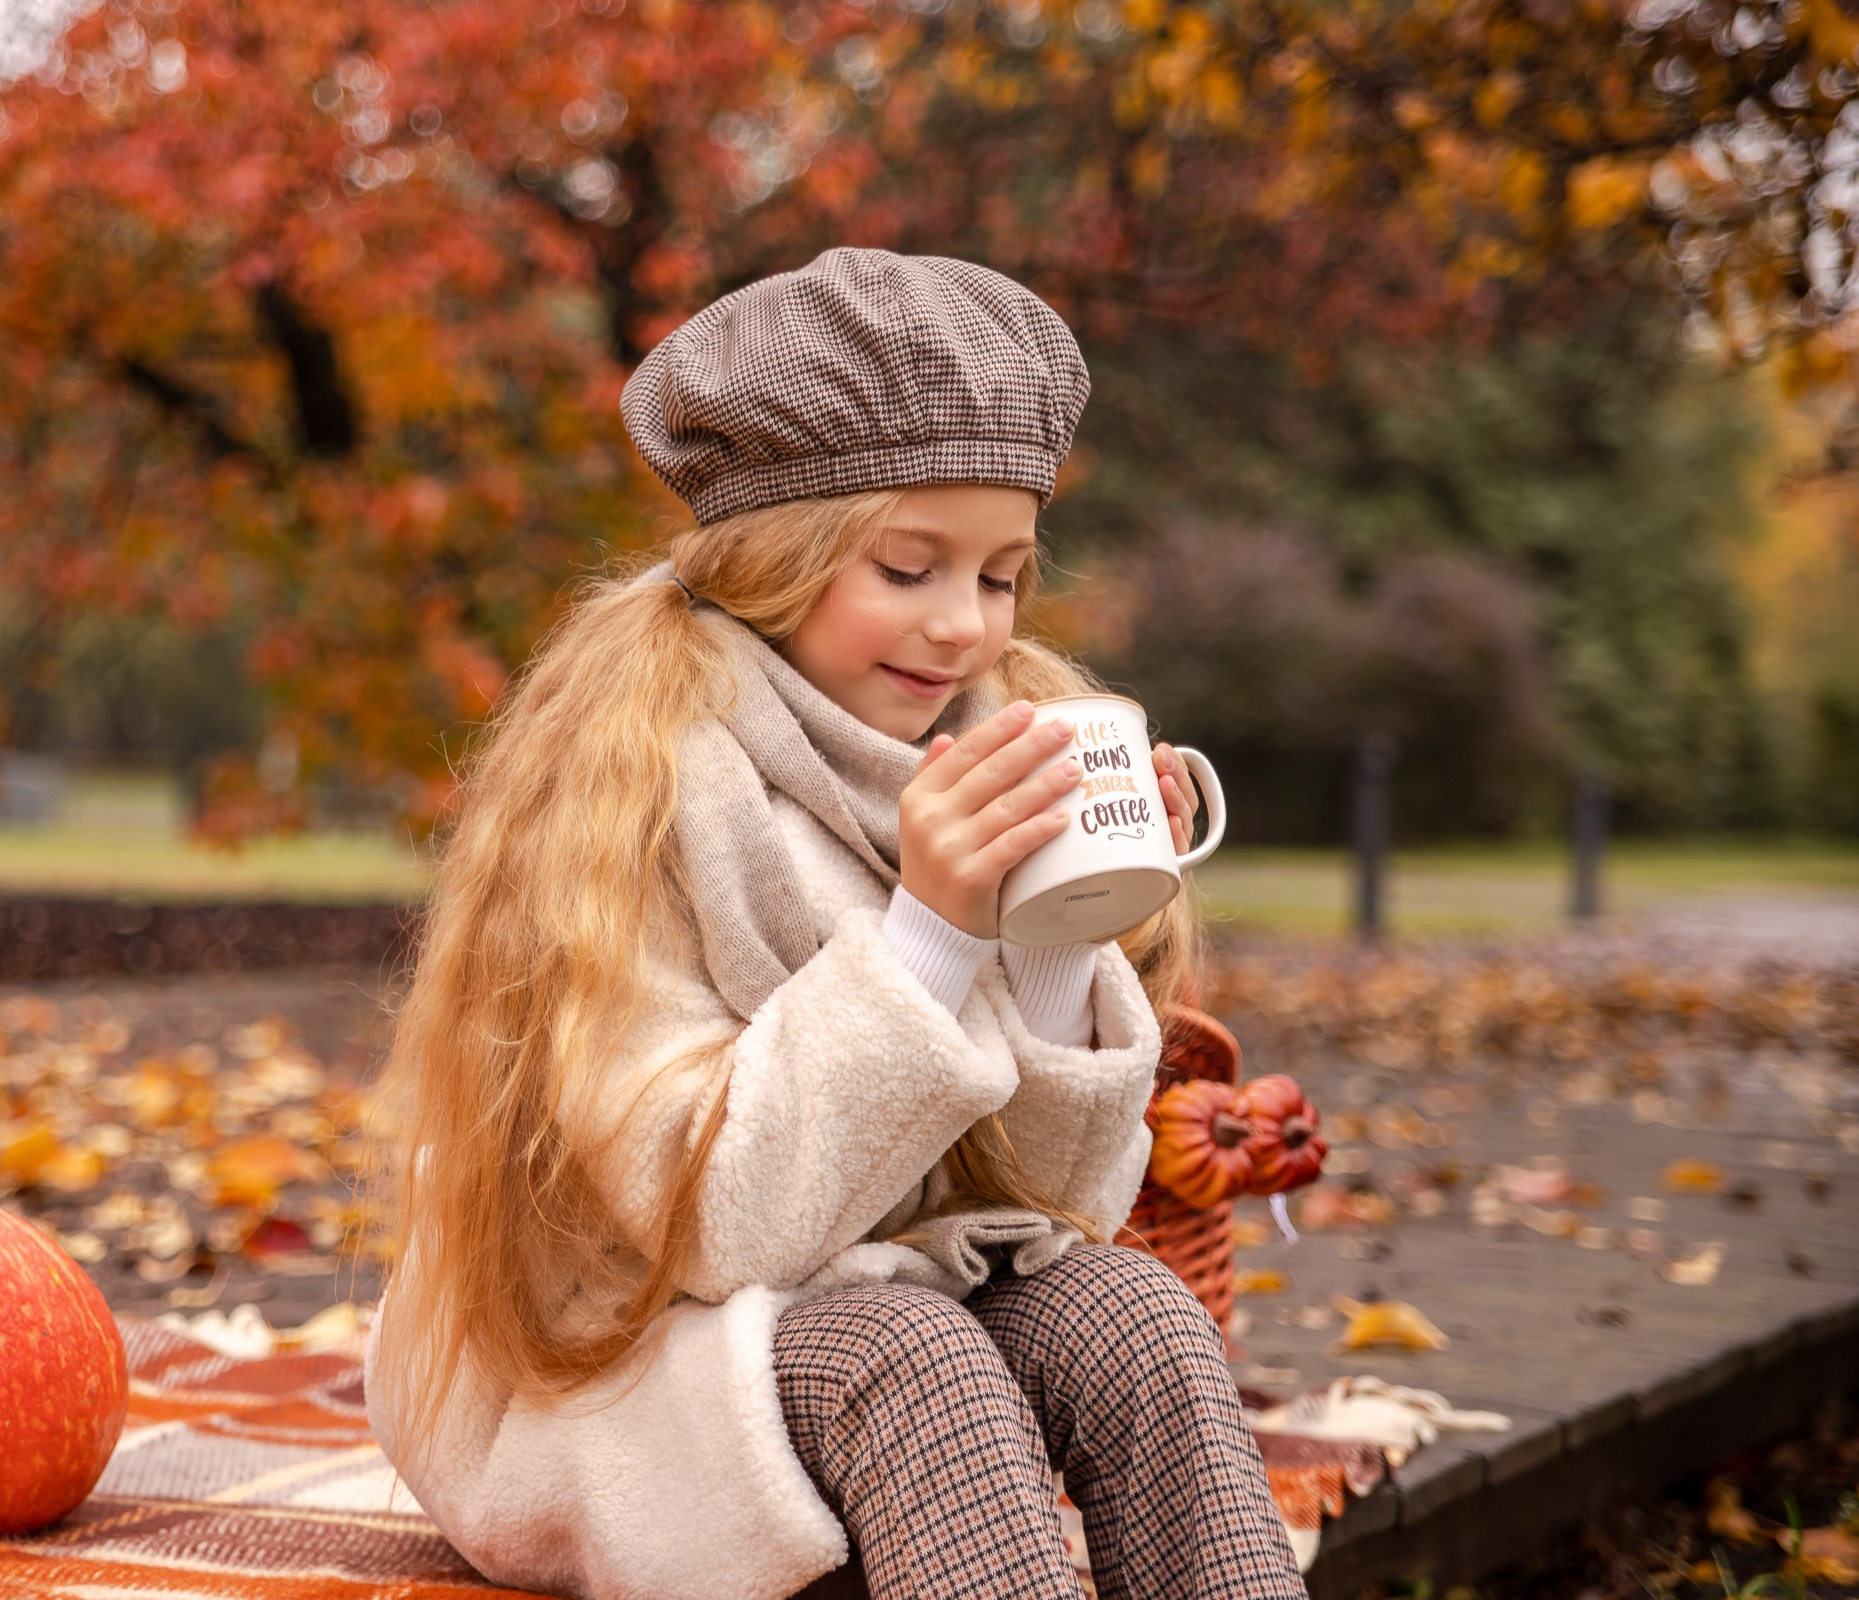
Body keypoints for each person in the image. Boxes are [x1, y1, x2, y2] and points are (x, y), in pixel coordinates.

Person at [363, 248, 1306, 1600]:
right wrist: (929, 930)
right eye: (911, 568)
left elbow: (1059, 1208)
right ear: (777, 557)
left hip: (893, 1291)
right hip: (618, 1359)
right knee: (913, 1363)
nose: (963, 629)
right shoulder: (641, 776)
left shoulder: (992, 734)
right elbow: (717, 1230)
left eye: (1001, 576)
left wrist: (1049, 930)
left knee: (1135, 1316)